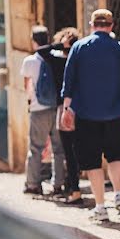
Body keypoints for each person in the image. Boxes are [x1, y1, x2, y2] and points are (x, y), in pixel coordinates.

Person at [61, 10, 120, 221]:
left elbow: (69, 81)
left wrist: (67, 110)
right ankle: (119, 195)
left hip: (86, 116)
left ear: (92, 25)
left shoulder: (78, 48)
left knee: (93, 162)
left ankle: (101, 207)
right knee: (116, 156)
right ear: (111, 25)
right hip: (115, 115)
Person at [37, 27, 85, 205]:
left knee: (68, 151)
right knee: (76, 150)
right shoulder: (80, 61)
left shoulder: (57, 61)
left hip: (63, 109)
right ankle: (73, 184)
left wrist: (59, 44)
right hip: (81, 109)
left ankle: (74, 188)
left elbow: (41, 50)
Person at [20, 25, 66, 196]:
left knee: (36, 148)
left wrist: (30, 104)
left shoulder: (30, 61)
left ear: (33, 41)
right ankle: (58, 184)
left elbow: (28, 86)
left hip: (38, 109)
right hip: (56, 108)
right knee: (59, 149)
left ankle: (33, 184)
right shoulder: (58, 57)